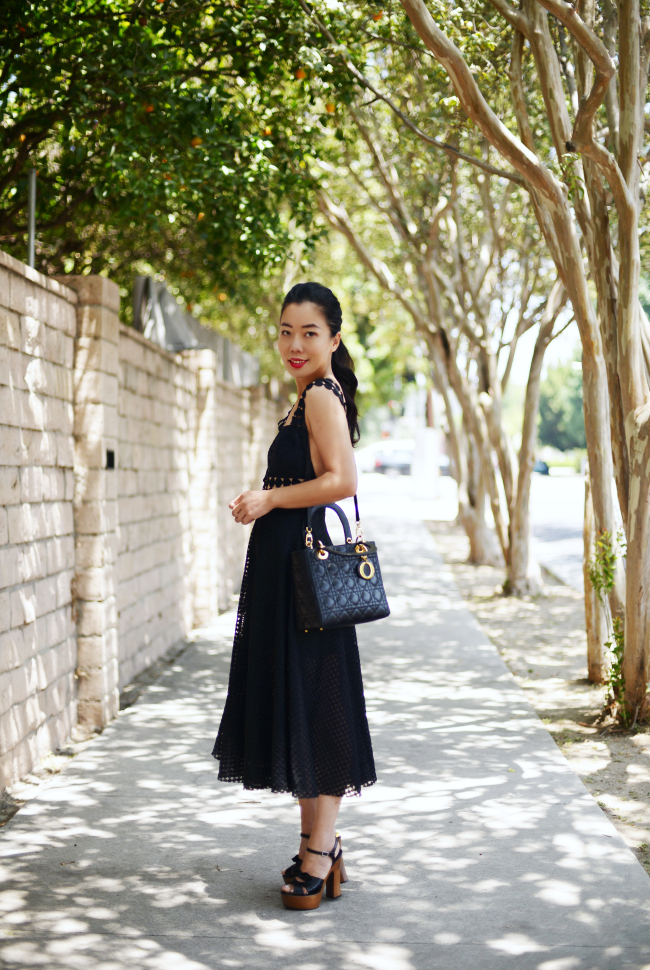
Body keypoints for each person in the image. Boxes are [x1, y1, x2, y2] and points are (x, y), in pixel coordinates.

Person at [212, 281, 376, 911]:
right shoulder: (303, 399)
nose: (296, 343)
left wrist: (269, 498)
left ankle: (320, 850)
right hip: (286, 575)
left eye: (310, 332)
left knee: (319, 706)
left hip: (306, 580)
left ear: (334, 338)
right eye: (286, 331)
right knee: (304, 706)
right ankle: (319, 844)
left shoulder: (322, 399)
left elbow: (342, 481)